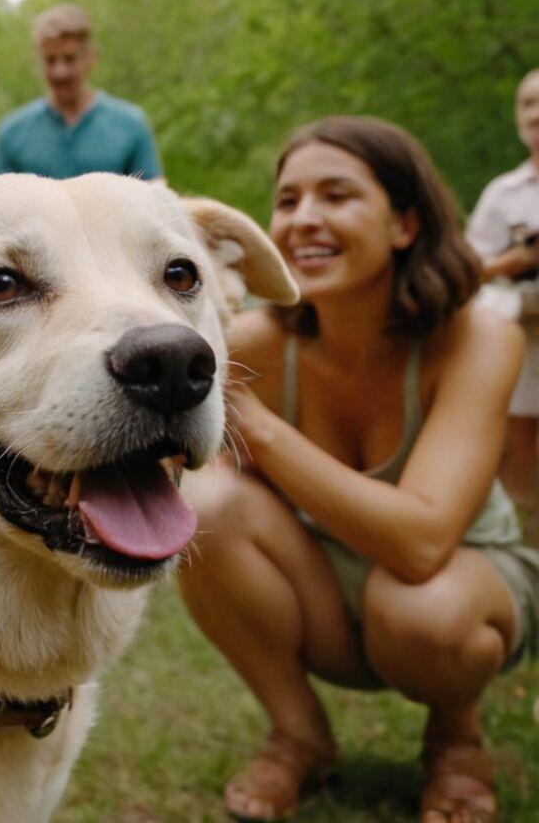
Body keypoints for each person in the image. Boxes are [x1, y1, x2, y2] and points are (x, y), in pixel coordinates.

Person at [177, 115, 539, 823]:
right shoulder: (252, 342)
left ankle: (456, 740)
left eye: (337, 196)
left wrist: (258, 427)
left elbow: (422, 544)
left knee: (420, 608)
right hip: (323, 590)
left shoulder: (479, 337)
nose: (304, 219)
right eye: (288, 201)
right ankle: (300, 736)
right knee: (207, 503)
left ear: (405, 224)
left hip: (456, 595)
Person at [466, 68, 539, 543]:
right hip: (520, 341)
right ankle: (528, 550)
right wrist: (518, 261)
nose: (536, 115)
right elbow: (467, 267)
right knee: (517, 454)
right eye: (528, 104)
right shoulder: (502, 193)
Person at [0, 3, 163, 181]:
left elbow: (154, 196)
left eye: (69, 59)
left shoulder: (131, 125)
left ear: (90, 57)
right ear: (38, 61)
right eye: (50, 60)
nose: (60, 72)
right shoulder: (11, 134)